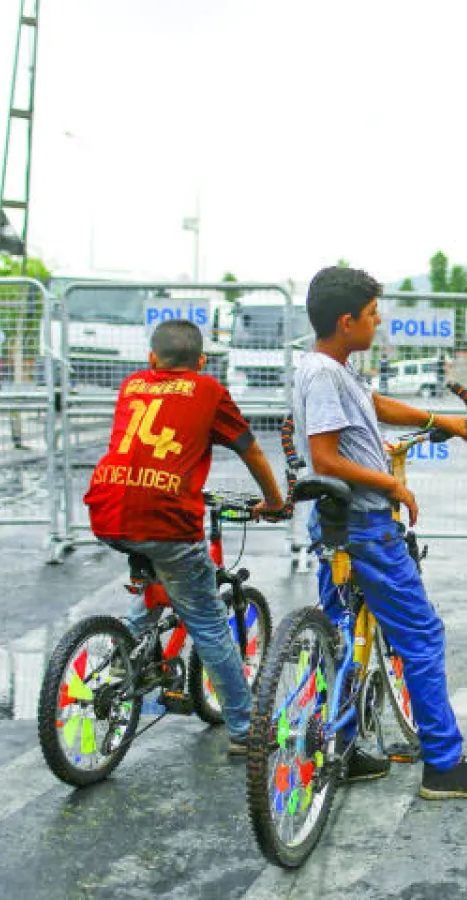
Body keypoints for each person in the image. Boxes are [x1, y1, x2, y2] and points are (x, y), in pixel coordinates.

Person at [293, 265, 467, 800]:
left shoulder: (334, 369)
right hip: (364, 523)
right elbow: (325, 457)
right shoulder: (324, 375)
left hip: (339, 521)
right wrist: (392, 486)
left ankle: (340, 748)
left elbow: (374, 407)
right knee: (420, 635)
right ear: (346, 322)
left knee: (342, 634)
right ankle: (444, 763)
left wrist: (438, 422)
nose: (379, 322)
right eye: (372, 314)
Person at [83, 319, 287, 754]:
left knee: (158, 576)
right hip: (166, 519)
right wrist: (274, 501)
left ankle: (123, 662)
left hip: (107, 509)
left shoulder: (133, 384)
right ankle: (245, 729)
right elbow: (249, 448)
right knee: (210, 624)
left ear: (151, 358)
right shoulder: (208, 390)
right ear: (202, 361)